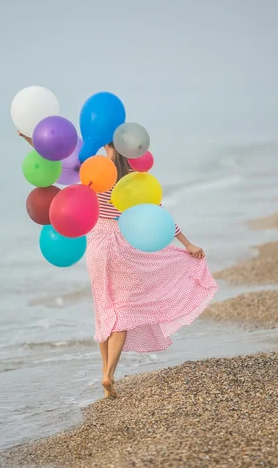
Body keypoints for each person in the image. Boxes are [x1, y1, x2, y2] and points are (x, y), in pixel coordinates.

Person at [18, 133, 218, 399]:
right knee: (123, 310)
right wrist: (187, 244)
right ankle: (109, 373)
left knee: (104, 308)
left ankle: (104, 371)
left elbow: (57, 161)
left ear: (106, 146)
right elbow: (158, 213)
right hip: (123, 246)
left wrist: (32, 140)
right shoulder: (132, 177)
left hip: (97, 245)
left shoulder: (93, 169)